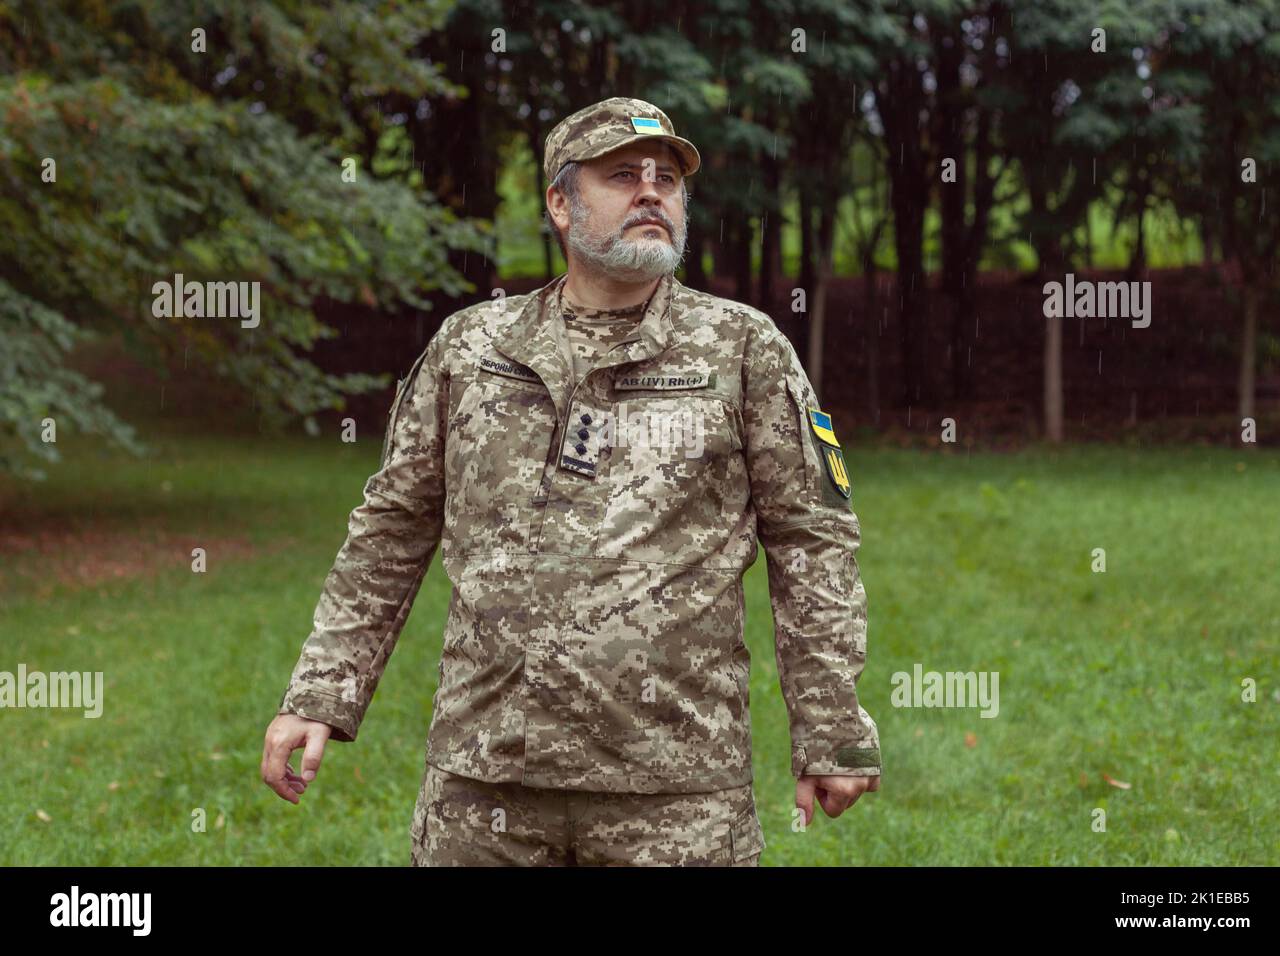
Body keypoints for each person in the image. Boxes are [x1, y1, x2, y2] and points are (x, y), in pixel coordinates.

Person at [261, 96, 881, 866]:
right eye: (623, 175)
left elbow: (812, 536)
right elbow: (393, 524)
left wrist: (830, 726)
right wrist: (323, 691)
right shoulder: (474, 346)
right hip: (485, 784)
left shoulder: (741, 348)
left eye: (668, 179)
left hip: (675, 791)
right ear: (560, 203)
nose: (652, 192)